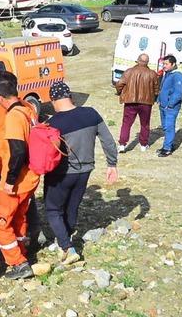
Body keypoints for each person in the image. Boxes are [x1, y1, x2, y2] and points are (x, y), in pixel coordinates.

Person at [44, 82, 119, 265]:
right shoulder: (91, 113)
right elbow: (108, 140)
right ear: (70, 96)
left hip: (61, 173)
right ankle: (66, 238)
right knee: (72, 207)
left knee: (53, 209)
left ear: (53, 100)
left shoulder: (53, 123)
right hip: (85, 170)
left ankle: (67, 247)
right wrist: (112, 164)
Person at [0, 80, 38, 279]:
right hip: (30, 177)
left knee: (0, 224)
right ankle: (21, 251)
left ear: (0, 98)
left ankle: (18, 263)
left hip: (16, 181)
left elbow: (17, 151)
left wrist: (9, 180)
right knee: (19, 218)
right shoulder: (29, 111)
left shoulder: (13, 117)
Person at [115, 53, 160, 153]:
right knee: (145, 124)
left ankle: (122, 144)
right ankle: (143, 145)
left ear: (138, 61)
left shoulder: (129, 72)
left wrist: (120, 93)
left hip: (130, 101)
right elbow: (156, 89)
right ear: (147, 62)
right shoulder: (152, 74)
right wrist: (154, 96)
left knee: (126, 123)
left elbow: (119, 84)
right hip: (146, 102)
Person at [157, 55, 182, 157]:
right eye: (163, 64)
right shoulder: (167, 74)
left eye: (166, 64)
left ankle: (167, 148)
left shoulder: (177, 75)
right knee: (165, 126)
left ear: (173, 64)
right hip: (163, 106)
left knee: (169, 127)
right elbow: (162, 89)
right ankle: (168, 144)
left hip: (171, 107)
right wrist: (159, 100)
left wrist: (170, 104)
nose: (164, 66)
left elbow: (178, 93)